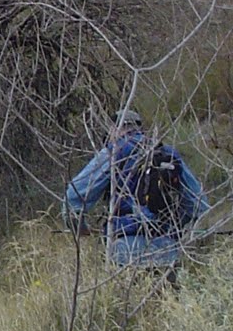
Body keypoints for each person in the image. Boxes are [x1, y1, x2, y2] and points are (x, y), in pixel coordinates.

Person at [63, 110, 208, 285]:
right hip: (168, 250)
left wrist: (80, 228)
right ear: (139, 127)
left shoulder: (114, 153)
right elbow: (198, 204)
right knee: (166, 307)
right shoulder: (167, 154)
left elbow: (73, 196)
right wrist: (177, 229)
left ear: (114, 129)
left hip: (124, 251)